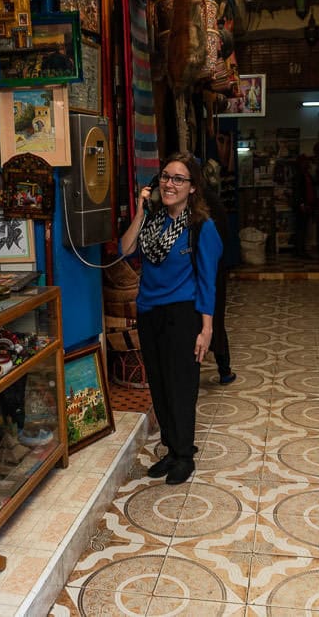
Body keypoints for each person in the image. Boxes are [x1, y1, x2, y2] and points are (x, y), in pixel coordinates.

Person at [121, 153, 222, 485]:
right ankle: (171, 448)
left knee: (181, 387)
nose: (170, 184)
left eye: (179, 179)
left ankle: (184, 455)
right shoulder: (152, 221)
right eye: (165, 177)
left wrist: (206, 329)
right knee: (160, 386)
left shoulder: (201, 228)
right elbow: (125, 249)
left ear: (192, 188)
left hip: (183, 315)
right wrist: (140, 211)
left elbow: (208, 281)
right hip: (150, 313)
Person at [200, 182, 234, 385]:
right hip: (215, 270)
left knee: (213, 321)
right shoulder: (210, 199)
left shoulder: (202, 204)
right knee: (217, 321)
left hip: (211, 271)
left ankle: (224, 369)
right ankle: (225, 370)